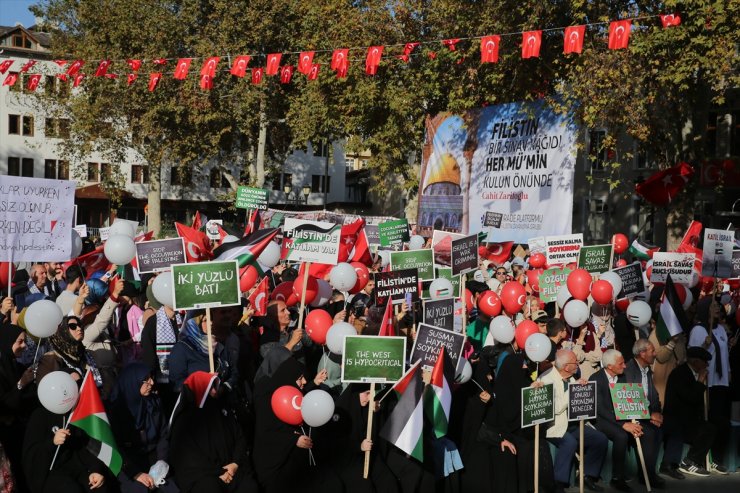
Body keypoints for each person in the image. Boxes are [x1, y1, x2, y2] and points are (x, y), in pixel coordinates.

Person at [168, 371, 256, 493]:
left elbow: (239, 438)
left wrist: (235, 463)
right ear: (199, 390)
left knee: (249, 486)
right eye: (210, 388)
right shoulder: (184, 420)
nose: (215, 391)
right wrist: (219, 473)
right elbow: (189, 459)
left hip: (231, 469)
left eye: (215, 387)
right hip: (204, 475)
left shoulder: (223, 411)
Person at [540, 349, 607, 493]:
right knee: (570, 442)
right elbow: (556, 408)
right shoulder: (546, 380)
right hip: (555, 427)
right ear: (566, 367)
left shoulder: (570, 377)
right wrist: (573, 389)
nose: (577, 365)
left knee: (600, 439)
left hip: (573, 424)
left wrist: (582, 390)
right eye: (575, 363)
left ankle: (587, 476)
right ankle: (558, 483)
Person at [108, 363, 178, 493]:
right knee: (139, 489)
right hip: (127, 463)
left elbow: (163, 434)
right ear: (132, 383)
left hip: (153, 456)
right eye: (146, 379)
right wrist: (135, 473)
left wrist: (161, 461)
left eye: (152, 377)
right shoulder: (117, 411)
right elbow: (115, 447)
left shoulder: (153, 402)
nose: (151, 382)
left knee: (169, 488)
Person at [253, 356, 314, 493]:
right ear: (289, 378)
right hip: (274, 465)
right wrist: (294, 440)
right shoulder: (268, 400)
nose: (304, 381)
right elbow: (266, 435)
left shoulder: (297, 395)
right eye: (300, 378)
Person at [23, 405, 111, 493]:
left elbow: (88, 445)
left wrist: (95, 470)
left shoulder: (75, 412)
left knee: (98, 487)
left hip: (77, 466)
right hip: (50, 471)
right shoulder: (39, 415)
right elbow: (32, 455)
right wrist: (52, 442)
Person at [687, 297, 730, 474]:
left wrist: (728, 374)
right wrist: (705, 345)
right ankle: (704, 458)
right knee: (712, 421)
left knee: (723, 423)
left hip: (722, 381)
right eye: (713, 305)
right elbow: (692, 355)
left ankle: (718, 458)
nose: (717, 307)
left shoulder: (720, 328)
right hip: (708, 381)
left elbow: (725, 354)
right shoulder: (699, 329)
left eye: (718, 305)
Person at [590, 349, 643, 492]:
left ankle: (646, 473)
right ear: (610, 367)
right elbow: (600, 409)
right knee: (621, 435)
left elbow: (627, 399)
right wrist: (623, 424)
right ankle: (617, 478)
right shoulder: (596, 379)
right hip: (600, 419)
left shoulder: (622, 377)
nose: (625, 366)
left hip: (620, 416)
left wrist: (633, 418)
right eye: (621, 364)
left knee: (643, 430)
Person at [662, 347, 716, 478]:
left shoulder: (692, 372)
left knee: (712, 427)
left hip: (689, 417)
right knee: (684, 430)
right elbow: (690, 397)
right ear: (696, 361)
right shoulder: (680, 373)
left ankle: (695, 460)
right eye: (705, 362)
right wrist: (700, 382)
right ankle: (682, 463)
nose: (707, 365)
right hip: (677, 417)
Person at [623, 339, 664, 488]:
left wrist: (657, 413)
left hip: (646, 413)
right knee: (649, 433)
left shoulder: (647, 370)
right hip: (632, 416)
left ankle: (650, 471)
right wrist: (648, 415)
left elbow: (654, 395)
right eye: (652, 351)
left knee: (659, 429)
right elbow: (630, 399)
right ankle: (647, 476)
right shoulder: (629, 370)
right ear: (642, 353)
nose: (655, 353)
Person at [0, 323, 36, 490]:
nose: (23, 346)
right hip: (7, 435)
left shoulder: (16, 365)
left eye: (25, 342)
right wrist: (21, 384)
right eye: (19, 342)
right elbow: (5, 405)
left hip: (22, 432)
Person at [35, 315, 103, 390]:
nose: (79, 328)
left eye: (80, 325)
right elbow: (43, 388)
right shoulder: (50, 358)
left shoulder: (85, 353)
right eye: (73, 326)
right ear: (63, 331)